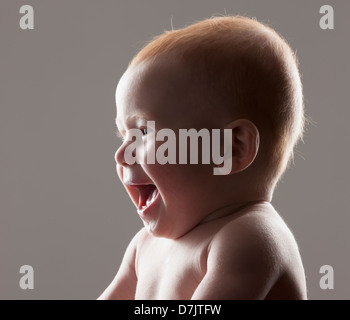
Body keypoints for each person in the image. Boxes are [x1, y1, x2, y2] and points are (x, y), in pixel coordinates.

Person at [98, 15, 307, 299]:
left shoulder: (247, 238)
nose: (122, 154)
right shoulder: (143, 247)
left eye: (144, 131)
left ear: (231, 148)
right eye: (124, 135)